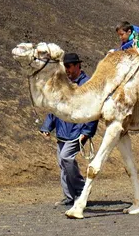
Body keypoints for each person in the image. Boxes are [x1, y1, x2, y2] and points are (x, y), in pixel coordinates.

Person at [39, 53, 98, 206]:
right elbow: (55, 107)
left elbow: (93, 110)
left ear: (78, 66)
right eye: (65, 67)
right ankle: (70, 196)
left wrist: (86, 132)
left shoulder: (87, 85)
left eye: (69, 67)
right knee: (62, 163)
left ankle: (80, 190)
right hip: (62, 130)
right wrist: (47, 126)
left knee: (66, 158)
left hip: (77, 131)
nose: (67, 70)